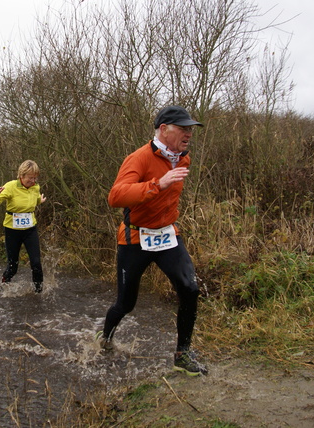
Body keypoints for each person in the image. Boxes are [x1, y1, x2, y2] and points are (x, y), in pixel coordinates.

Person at [99, 105, 207, 376]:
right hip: (136, 237)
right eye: (182, 129)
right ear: (163, 130)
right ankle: (105, 339)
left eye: (190, 129)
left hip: (167, 234)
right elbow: (116, 196)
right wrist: (158, 184)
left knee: (190, 289)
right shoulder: (140, 158)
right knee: (126, 304)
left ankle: (182, 355)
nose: (188, 134)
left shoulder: (183, 158)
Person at [0, 160, 47, 293]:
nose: (33, 180)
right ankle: (3, 286)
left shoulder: (35, 187)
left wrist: (39, 201)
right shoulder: (11, 186)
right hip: (12, 230)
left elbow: (34, 199)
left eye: (35, 177)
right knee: (13, 266)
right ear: (22, 175)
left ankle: (39, 293)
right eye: (30, 177)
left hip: (30, 229)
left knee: (36, 263)